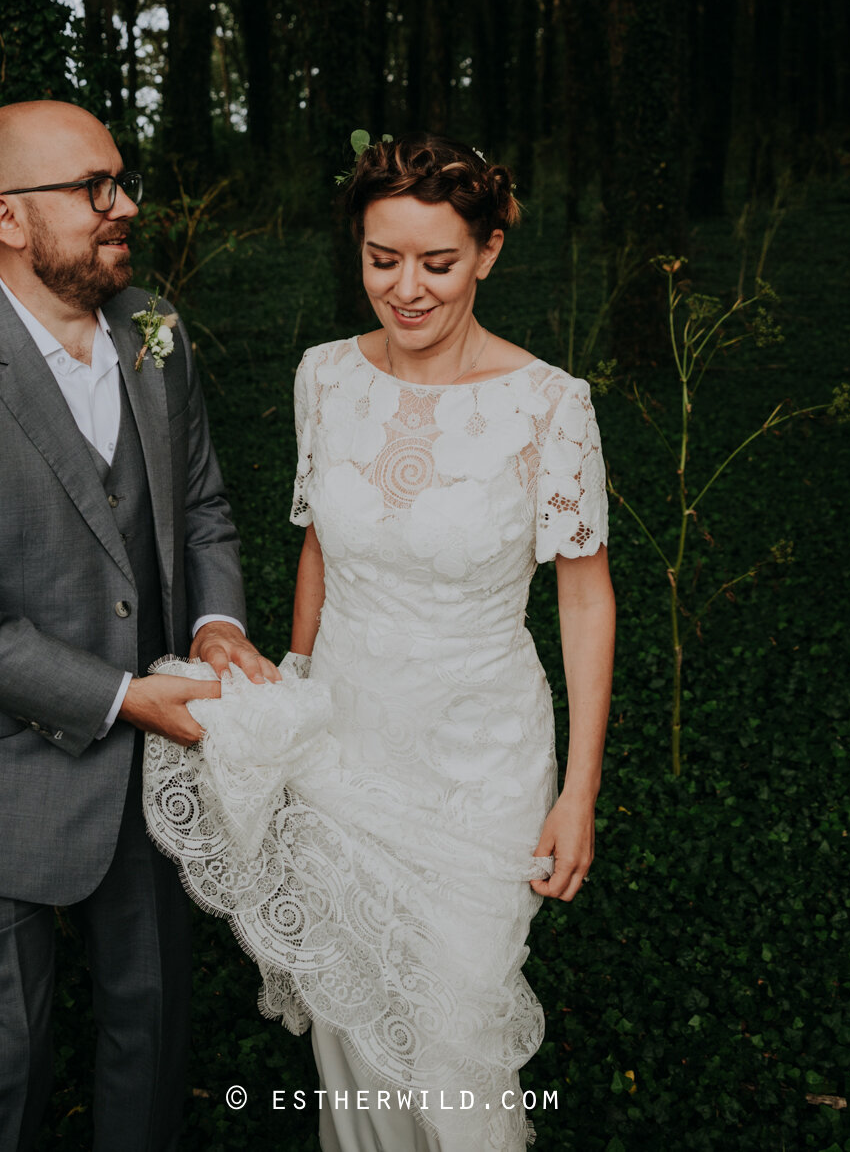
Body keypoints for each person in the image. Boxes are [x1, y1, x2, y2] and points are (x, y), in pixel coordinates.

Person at [143, 133, 618, 1152]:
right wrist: (296, 682)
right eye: (379, 257)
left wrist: (578, 789)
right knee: (354, 1016)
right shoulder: (324, 376)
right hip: (344, 734)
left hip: (478, 758)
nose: (403, 288)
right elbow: (319, 544)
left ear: (488, 252)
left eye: (435, 262)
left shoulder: (549, 404)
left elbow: (585, 599)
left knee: (453, 1027)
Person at [0, 100, 280, 1152]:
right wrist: (121, 696)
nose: (123, 204)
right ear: (4, 214)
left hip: (155, 772)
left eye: (120, 179)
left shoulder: (154, 328)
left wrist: (216, 623)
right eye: (93, 188)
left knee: (154, 1032)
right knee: (3, 1064)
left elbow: (205, 503)